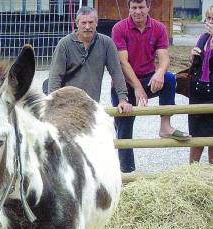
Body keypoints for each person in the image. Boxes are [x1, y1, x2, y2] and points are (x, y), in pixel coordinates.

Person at [111, 0, 191, 173]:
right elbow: (123, 63)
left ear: (148, 7)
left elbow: (164, 57)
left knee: (169, 78)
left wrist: (160, 71)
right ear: (129, 8)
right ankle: (127, 172)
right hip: (123, 84)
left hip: (148, 78)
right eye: (134, 8)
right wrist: (137, 88)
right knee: (124, 128)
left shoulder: (159, 28)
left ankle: (165, 126)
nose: (137, 11)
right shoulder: (119, 28)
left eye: (141, 7)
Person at [47, 6, 133, 114]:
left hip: (91, 105)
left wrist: (123, 99)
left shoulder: (106, 43)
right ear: (77, 23)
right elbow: (55, 77)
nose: (87, 26)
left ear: (96, 23)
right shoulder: (64, 44)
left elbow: (117, 73)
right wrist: (53, 104)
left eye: (91, 22)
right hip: (66, 105)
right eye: (84, 23)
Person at [188, 5, 213, 164]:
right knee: (196, 140)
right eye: (208, 18)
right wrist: (193, 56)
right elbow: (194, 65)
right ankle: (191, 176)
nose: (210, 22)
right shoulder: (204, 38)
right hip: (198, 93)